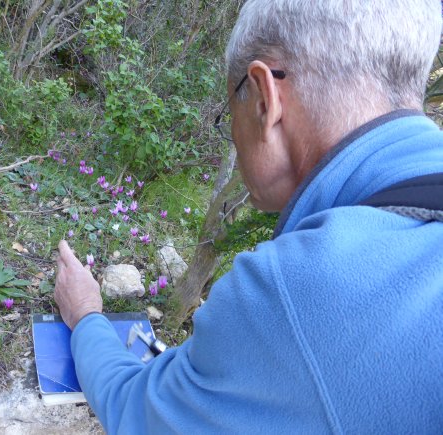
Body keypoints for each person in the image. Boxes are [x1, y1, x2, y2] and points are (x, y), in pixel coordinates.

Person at [54, 0, 443, 433]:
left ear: (263, 98)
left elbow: (134, 409)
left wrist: (86, 315)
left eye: (228, 116)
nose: (234, 140)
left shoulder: (295, 289)